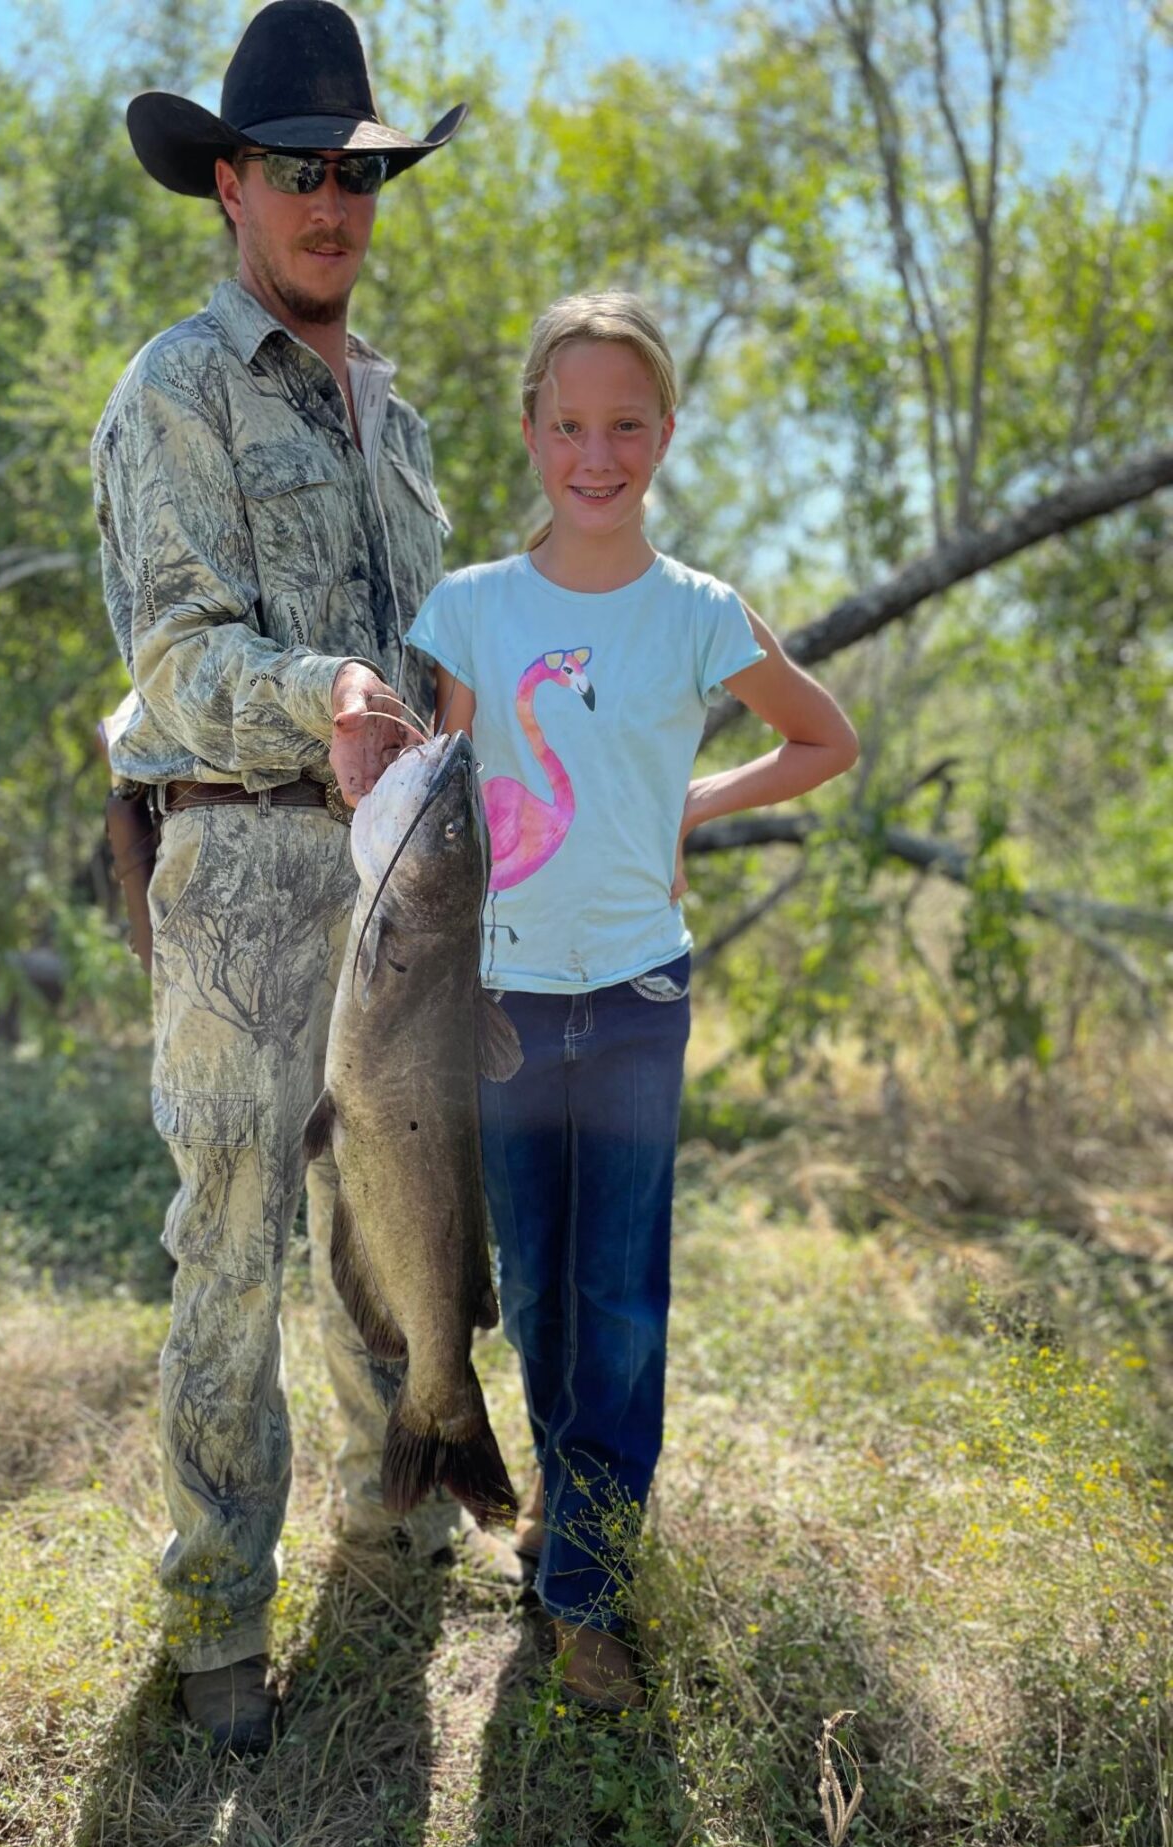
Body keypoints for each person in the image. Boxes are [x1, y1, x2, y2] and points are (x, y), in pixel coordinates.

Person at [90, 0, 514, 1757]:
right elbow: (177, 658)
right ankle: (213, 1620)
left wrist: (437, 696)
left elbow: (417, 651)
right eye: (296, 172)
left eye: (358, 173)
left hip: (402, 878)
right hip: (244, 882)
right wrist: (313, 693)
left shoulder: (394, 415)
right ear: (228, 188)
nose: (332, 203)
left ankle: (394, 1505)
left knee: (392, 1223)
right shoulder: (174, 389)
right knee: (236, 1241)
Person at [406, 290, 860, 1711]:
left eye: (624, 426)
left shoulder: (696, 614)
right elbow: (442, 805)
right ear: (531, 431)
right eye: (568, 425)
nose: (594, 455)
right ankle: (554, 1501)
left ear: (663, 434)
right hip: (504, 1000)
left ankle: (590, 1586)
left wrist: (692, 800)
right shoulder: (474, 610)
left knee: (621, 1296)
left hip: (638, 990)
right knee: (536, 1287)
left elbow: (823, 738)